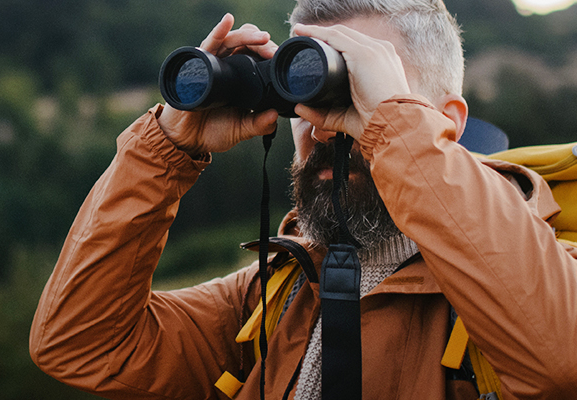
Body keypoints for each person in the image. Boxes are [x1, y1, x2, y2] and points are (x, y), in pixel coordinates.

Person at [28, 0, 577, 399]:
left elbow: (560, 363)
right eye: (303, 94)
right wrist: (163, 151)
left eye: (355, 87)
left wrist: (395, 132)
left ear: (448, 124)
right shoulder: (278, 293)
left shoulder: (548, 268)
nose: (322, 124)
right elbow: (80, 344)